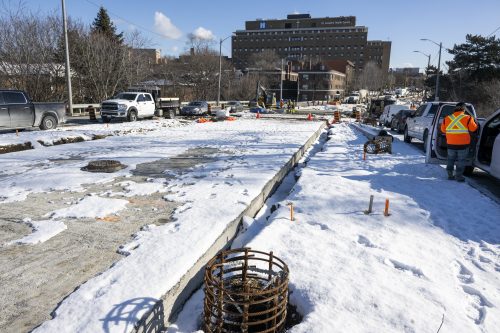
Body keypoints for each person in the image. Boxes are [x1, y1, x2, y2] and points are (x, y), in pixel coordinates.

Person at [440, 102, 478, 182]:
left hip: (451, 144)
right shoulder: (468, 118)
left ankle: (450, 175)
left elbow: (443, 130)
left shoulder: (447, 118)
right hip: (463, 145)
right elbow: (473, 129)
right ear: (464, 109)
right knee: (461, 161)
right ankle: (459, 176)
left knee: (450, 159)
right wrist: (475, 123)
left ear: (455, 109)